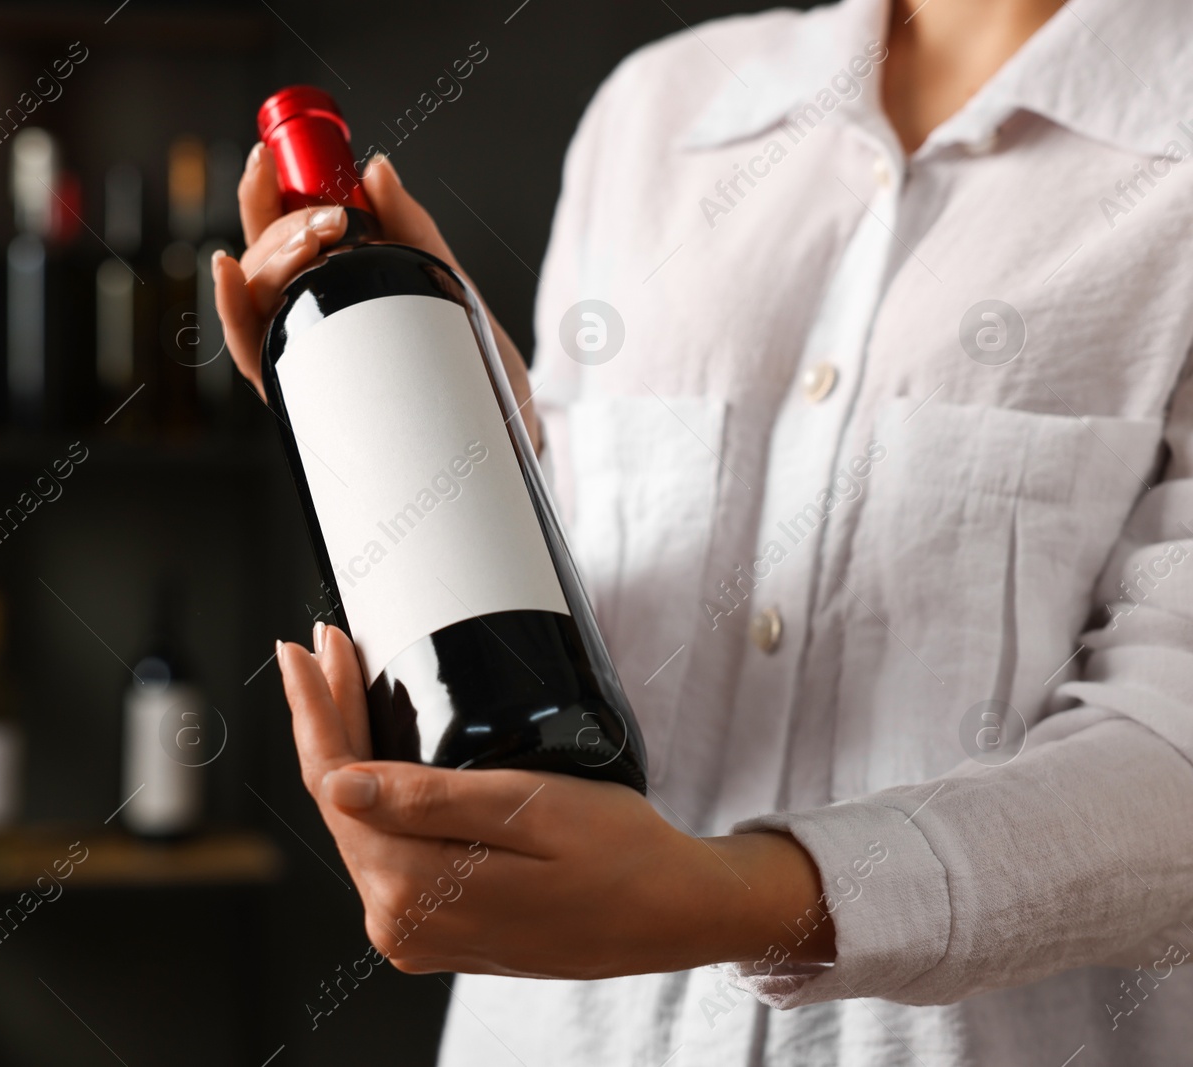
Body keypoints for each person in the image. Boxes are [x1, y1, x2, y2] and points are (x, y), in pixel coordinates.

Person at [212, 0, 1193, 1062]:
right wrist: (462, 438)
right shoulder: (660, 111)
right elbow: (597, 597)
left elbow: (1168, 764)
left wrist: (725, 897)